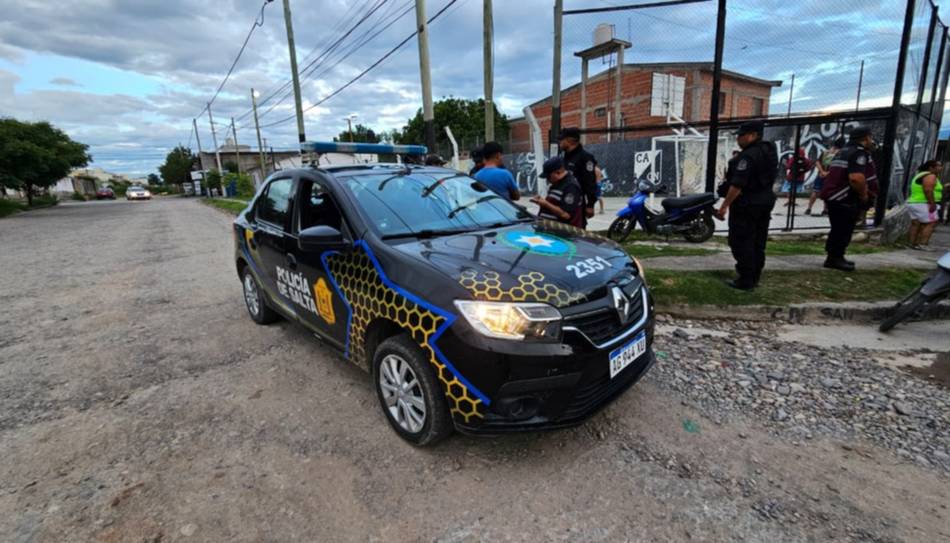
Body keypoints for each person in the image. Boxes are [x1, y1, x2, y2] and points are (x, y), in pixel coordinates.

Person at [715, 121, 778, 290]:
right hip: (764, 201)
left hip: (747, 204)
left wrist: (724, 206)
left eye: (741, 135)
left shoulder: (748, 156)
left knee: (741, 240)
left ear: (753, 135)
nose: (738, 139)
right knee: (758, 240)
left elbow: (737, 185)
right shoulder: (769, 152)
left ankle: (745, 279)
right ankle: (754, 276)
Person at [819, 127, 879, 271]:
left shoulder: (843, 151)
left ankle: (834, 256)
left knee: (838, 229)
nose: (872, 141)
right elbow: (856, 178)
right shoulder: (858, 153)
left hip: (835, 197)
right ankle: (835, 258)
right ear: (865, 138)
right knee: (843, 229)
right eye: (870, 138)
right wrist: (864, 195)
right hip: (845, 197)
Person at [558, 127, 598, 227]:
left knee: (577, 231)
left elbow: (590, 182)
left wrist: (590, 205)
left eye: (561, 139)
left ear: (570, 140)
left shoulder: (585, 157)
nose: (559, 142)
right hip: (562, 200)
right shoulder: (565, 157)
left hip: (577, 202)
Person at [531, 157, 584, 227]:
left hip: (563, 233)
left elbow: (566, 215)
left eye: (548, 177)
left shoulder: (571, 187)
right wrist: (540, 202)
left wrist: (545, 204)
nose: (547, 180)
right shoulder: (557, 184)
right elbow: (554, 204)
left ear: (558, 172)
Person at [907, 159, 943, 250]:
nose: (941, 168)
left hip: (914, 202)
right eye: (938, 166)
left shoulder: (920, 175)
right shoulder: (930, 176)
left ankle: (912, 243)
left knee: (916, 224)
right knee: (931, 222)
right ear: (931, 167)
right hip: (924, 203)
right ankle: (923, 244)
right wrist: (932, 204)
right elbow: (928, 190)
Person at [806, 137, 844, 216]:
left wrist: (822, 171)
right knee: (828, 192)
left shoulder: (826, 152)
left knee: (815, 191)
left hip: (820, 174)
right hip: (831, 176)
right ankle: (825, 209)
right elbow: (837, 166)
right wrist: (827, 173)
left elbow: (817, 162)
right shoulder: (840, 153)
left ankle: (809, 208)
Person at [783, 147, 813, 214]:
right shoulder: (806, 160)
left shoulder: (793, 159)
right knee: (795, 190)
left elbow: (788, 166)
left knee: (788, 189)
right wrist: (802, 171)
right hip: (800, 178)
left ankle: (789, 201)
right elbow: (809, 167)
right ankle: (793, 201)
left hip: (791, 177)